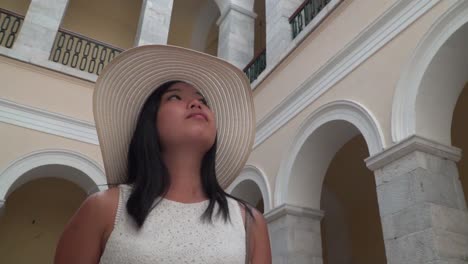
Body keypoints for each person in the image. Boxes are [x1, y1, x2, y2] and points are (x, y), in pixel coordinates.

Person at [54, 45, 272, 263]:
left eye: (204, 101)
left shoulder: (250, 223)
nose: (197, 103)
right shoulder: (103, 208)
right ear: (150, 122)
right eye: (175, 97)